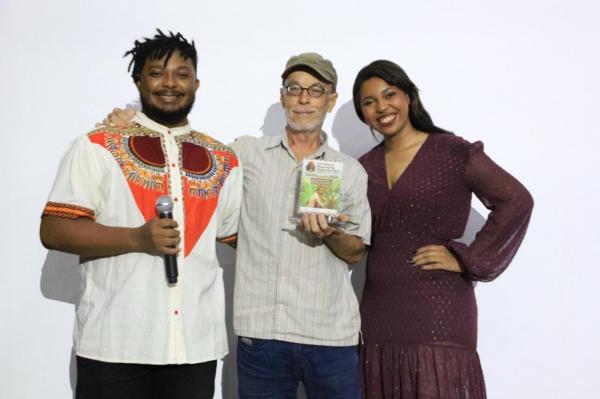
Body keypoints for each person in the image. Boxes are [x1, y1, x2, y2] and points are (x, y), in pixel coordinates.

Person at [102, 52, 371, 399]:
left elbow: (355, 253)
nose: (304, 98)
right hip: (261, 337)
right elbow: (185, 156)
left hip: (331, 338)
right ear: (282, 96)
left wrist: (330, 232)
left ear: (331, 100)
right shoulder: (244, 153)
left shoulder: (349, 171)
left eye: (316, 90)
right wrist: (138, 125)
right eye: (294, 88)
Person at [39, 30, 243, 399]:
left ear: (196, 83)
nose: (170, 83)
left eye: (181, 74)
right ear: (138, 80)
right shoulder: (98, 145)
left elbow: (238, 235)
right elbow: (54, 229)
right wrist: (137, 238)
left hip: (194, 348)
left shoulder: (223, 159)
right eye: (157, 72)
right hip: (114, 346)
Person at [352, 59, 534, 398]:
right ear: (363, 113)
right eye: (369, 102)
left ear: (408, 96)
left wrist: (467, 258)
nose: (381, 107)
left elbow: (516, 200)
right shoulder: (363, 166)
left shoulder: (452, 151)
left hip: (439, 307)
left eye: (389, 94)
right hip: (378, 310)